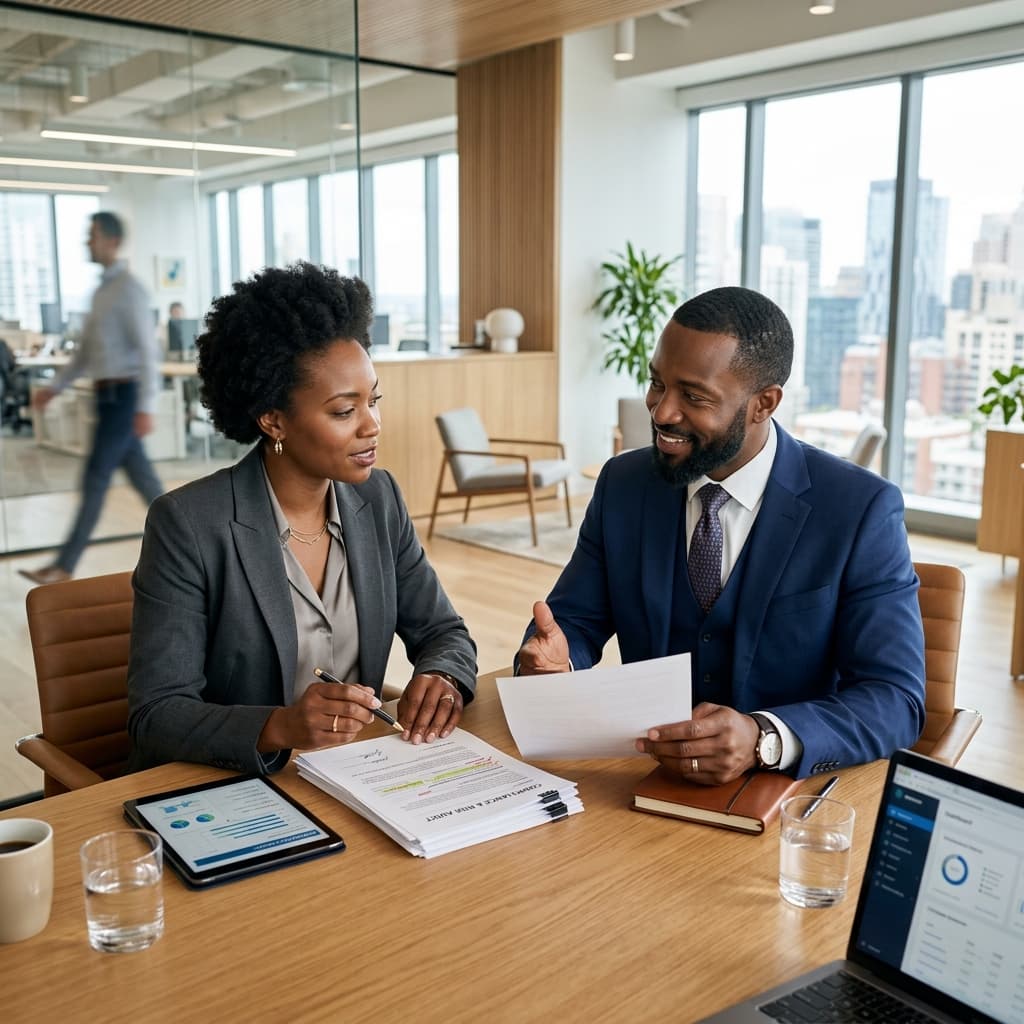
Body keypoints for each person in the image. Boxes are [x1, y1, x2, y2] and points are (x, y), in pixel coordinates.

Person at [517, 286, 926, 785]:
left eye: (693, 396)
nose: (662, 412)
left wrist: (765, 738)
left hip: (788, 799)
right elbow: (573, 624)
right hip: (642, 788)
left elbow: (895, 699)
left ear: (764, 404)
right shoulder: (623, 486)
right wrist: (556, 668)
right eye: (656, 384)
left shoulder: (860, 510)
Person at [127, 262, 477, 774]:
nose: (373, 426)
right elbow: (155, 714)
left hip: (364, 772)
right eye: (343, 411)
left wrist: (444, 676)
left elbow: (444, 632)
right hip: (245, 784)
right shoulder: (188, 524)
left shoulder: (378, 499)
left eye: (373, 401)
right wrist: (279, 726)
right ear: (273, 419)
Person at [19, 211, 163, 585]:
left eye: (92, 235)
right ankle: (198, 540)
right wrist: (55, 387)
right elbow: (85, 354)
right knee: (146, 484)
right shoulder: (101, 292)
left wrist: (147, 406)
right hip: (107, 399)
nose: (87, 241)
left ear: (112, 241)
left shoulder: (129, 290)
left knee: (95, 479)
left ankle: (63, 567)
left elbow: (148, 351)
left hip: (124, 397)